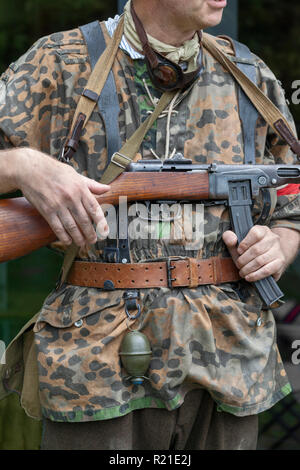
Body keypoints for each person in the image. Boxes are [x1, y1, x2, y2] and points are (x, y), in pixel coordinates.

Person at [0, 0, 300, 451]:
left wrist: (281, 242)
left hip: (229, 362)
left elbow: (289, 191)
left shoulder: (250, 75)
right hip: (97, 369)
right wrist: (24, 165)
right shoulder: (60, 62)